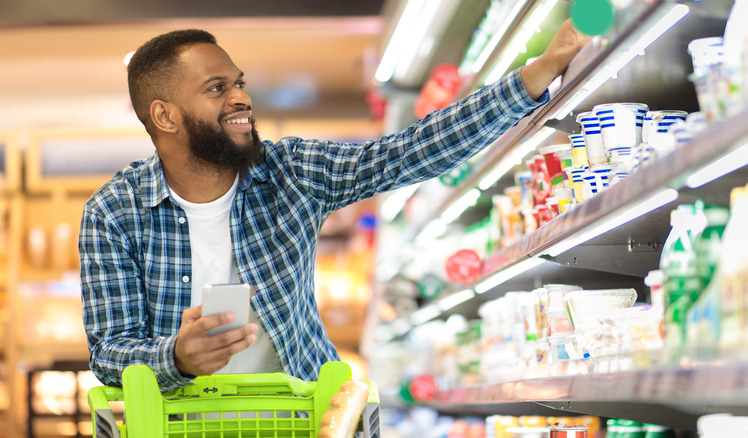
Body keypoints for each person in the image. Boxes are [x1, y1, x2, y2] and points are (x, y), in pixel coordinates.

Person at [79, 19, 589, 392]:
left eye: (239, 83)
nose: (240, 98)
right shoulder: (113, 215)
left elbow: (405, 153)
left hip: (300, 416)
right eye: (217, 88)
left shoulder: (290, 172)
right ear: (164, 116)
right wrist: (177, 356)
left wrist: (534, 76)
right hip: (181, 423)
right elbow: (109, 353)